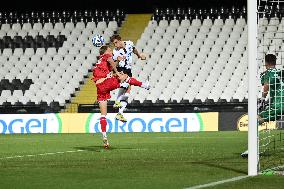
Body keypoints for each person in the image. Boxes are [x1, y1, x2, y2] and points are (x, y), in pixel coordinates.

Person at [93, 45, 150, 148]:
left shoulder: (100, 62)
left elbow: (110, 66)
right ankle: (145, 85)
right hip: (105, 83)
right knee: (125, 77)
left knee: (103, 115)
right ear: (105, 51)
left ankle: (105, 136)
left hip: (99, 87)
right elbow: (110, 61)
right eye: (110, 50)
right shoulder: (105, 56)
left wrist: (118, 62)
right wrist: (117, 73)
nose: (111, 51)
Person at [241, 54, 284, 157]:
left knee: (255, 119)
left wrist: (262, 99)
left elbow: (266, 86)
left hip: (279, 105)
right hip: (280, 104)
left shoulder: (267, 73)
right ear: (275, 62)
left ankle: (252, 150)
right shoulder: (280, 73)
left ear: (266, 63)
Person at [110, 34, 146, 122]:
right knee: (128, 88)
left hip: (128, 69)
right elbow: (113, 66)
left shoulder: (129, 43)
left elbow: (133, 49)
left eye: (116, 42)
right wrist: (118, 60)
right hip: (121, 69)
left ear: (120, 40)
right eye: (114, 44)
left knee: (126, 92)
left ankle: (120, 113)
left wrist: (139, 55)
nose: (115, 45)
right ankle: (118, 104)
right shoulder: (115, 51)